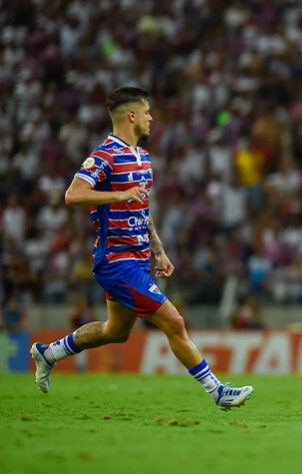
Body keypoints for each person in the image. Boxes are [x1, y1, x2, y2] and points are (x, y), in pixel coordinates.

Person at [29, 86, 252, 410]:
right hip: (116, 261)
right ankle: (218, 392)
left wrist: (158, 250)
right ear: (131, 115)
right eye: (146, 112)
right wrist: (117, 196)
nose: (151, 118)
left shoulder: (143, 158)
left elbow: (141, 210)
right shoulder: (105, 155)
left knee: (116, 331)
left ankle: (49, 353)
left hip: (139, 257)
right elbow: (73, 194)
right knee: (174, 322)